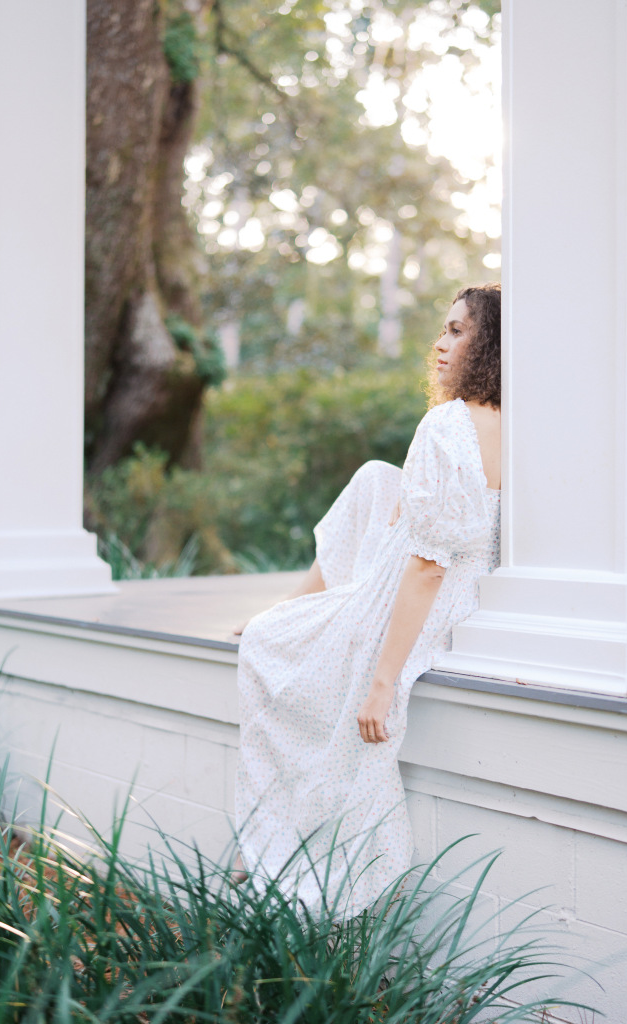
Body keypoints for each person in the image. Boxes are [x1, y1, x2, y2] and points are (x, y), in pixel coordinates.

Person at [234, 284, 502, 915]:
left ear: (488, 344)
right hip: (469, 595)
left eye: (459, 332)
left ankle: (280, 846)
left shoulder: (448, 425)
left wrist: (383, 682)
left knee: (267, 647)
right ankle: (294, 604)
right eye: (443, 329)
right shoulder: (523, 428)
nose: (440, 344)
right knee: (375, 479)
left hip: (414, 601)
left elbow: (427, 569)